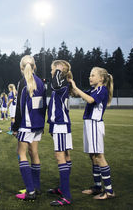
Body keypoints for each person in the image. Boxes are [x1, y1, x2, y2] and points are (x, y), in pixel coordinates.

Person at [69, 67, 116, 200]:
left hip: (95, 124)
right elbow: (78, 94)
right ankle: (97, 187)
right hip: (89, 124)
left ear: (101, 78)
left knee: (99, 156)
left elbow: (90, 100)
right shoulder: (93, 90)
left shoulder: (102, 90)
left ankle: (109, 190)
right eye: (90, 75)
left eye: (93, 75)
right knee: (93, 156)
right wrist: (69, 84)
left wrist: (76, 87)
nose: (90, 77)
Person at [12, 55, 47, 201]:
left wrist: (15, 126)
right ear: (34, 66)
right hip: (38, 124)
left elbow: (19, 108)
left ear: (21, 67)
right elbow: (44, 105)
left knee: (21, 153)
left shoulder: (22, 82)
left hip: (26, 125)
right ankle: (36, 187)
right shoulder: (40, 82)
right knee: (34, 153)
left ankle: (30, 191)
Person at [47, 60, 74, 206]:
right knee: (66, 155)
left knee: (60, 156)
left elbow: (55, 84)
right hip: (59, 124)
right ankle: (62, 188)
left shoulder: (61, 82)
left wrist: (57, 70)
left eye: (53, 69)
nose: (52, 72)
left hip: (61, 124)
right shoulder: (63, 83)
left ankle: (66, 196)